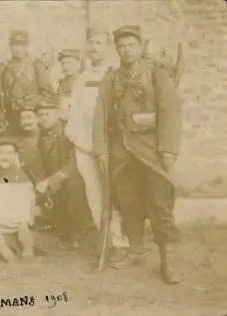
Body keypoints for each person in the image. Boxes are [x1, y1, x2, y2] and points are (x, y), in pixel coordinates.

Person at [93, 25, 183, 284]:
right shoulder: (111, 79)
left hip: (151, 151)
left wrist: (169, 148)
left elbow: (169, 111)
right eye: (122, 46)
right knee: (128, 203)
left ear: (141, 47)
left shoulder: (157, 74)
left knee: (159, 204)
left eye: (131, 45)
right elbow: (101, 115)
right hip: (121, 151)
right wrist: (101, 149)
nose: (126, 50)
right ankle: (136, 249)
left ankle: (169, 259)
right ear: (117, 49)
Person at [65, 28, 129, 258]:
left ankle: (121, 239)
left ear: (108, 47)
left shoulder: (116, 75)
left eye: (99, 43)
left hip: (111, 145)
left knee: (116, 192)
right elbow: (75, 114)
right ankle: (106, 241)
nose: (94, 47)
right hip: (85, 145)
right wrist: (84, 143)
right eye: (90, 42)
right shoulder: (81, 79)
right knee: (94, 194)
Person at [35, 96, 95, 253]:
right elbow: (40, 163)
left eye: (47, 114)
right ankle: (66, 233)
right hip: (54, 179)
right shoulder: (39, 137)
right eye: (40, 115)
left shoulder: (68, 133)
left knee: (73, 188)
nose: (43, 118)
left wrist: (52, 180)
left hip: (74, 176)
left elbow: (74, 163)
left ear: (56, 114)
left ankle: (84, 232)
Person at [0, 30, 54, 132]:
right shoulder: (2, 69)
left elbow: (48, 95)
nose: (18, 49)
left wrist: (32, 101)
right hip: (10, 121)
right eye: (15, 45)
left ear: (27, 47)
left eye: (22, 45)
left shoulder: (36, 66)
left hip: (32, 120)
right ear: (10, 46)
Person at [55, 49, 82, 122]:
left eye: (69, 63)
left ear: (78, 64)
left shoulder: (82, 81)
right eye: (63, 63)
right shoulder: (61, 82)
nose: (65, 67)